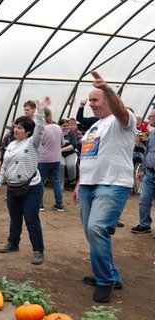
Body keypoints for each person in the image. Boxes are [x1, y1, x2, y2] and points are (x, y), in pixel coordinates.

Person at [74, 71, 136, 303]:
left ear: (108, 100)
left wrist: (109, 90)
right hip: (89, 185)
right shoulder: (94, 127)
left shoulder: (122, 120)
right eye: (89, 100)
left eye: (95, 100)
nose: (91, 104)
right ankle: (111, 274)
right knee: (93, 233)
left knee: (97, 228)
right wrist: (80, 182)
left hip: (113, 184)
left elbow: (120, 110)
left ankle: (105, 281)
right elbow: (89, 156)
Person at [0, 97, 50, 265]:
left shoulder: (33, 143)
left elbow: (40, 129)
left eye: (20, 127)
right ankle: (13, 243)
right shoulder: (11, 145)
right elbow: (5, 166)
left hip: (31, 188)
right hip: (13, 188)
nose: (16, 129)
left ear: (28, 132)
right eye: (15, 126)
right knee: (15, 217)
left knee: (31, 219)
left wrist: (39, 112)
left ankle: (38, 250)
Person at [131, 109, 155, 235]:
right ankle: (144, 224)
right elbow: (147, 153)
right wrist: (143, 170)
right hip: (150, 173)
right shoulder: (151, 134)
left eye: (152, 116)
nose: (149, 118)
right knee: (144, 199)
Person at [37, 108, 64, 212]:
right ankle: (59, 204)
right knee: (56, 180)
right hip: (56, 158)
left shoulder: (41, 129)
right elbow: (62, 143)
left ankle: (39, 204)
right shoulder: (58, 127)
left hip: (43, 160)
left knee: (39, 181)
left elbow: (37, 144)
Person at [58, 119, 79, 190]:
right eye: (64, 126)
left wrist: (61, 149)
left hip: (70, 153)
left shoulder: (71, 133)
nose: (66, 127)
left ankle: (72, 183)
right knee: (61, 164)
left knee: (71, 165)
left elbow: (73, 145)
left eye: (67, 126)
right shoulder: (57, 133)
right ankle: (61, 183)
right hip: (59, 154)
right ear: (59, 126)